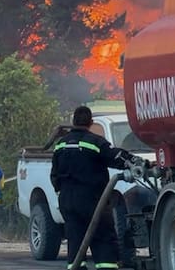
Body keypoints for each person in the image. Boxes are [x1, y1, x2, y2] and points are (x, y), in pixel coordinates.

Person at [51, 105, 139, 270]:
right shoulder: (96, 143)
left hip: (67, 201)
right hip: (92, 202)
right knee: (103, 238)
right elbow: (116, 157)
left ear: (73, 121)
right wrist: (137, 162)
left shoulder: (60, 144)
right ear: (90, 122)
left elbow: (54, 174)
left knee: (75, 241)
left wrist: (62, 192)